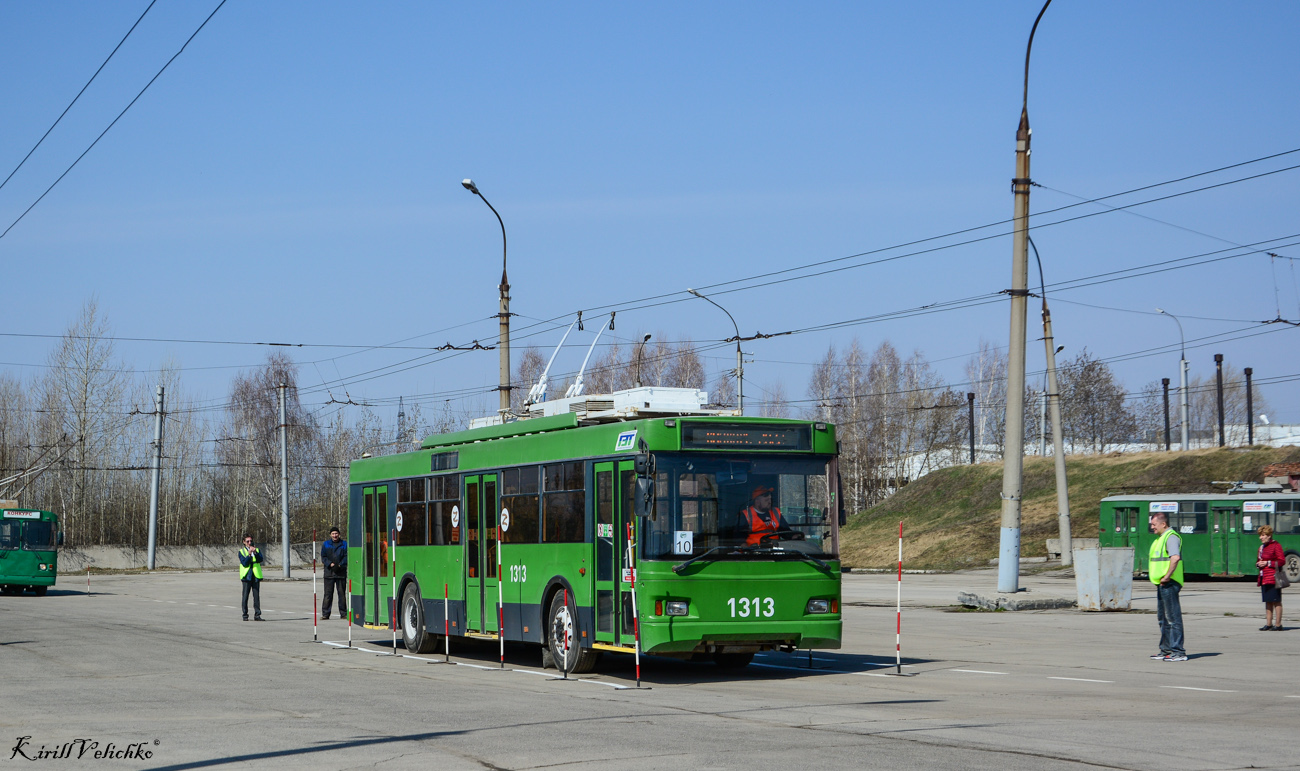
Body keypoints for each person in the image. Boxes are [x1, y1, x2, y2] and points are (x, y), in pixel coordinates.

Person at [1148, 512, 1185, 661]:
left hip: (1169, 583)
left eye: (1154, 525)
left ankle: (1178, 652)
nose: (1152, 527)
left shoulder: (1171, 537)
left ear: (1163, 524)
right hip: (1162, 584)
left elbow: (1175, 558)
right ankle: (1166, 650)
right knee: (1163, 618)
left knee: (1173, 618)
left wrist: (1167, 576)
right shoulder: (1160, 538)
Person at [735, 486, 799, 546]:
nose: (770, 502)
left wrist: (794, 536)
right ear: (757, 502)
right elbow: (739, 539)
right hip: (753, 553)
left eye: (770, 499)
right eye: (766, 500)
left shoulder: (776, 512)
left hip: (775, 551)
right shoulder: (745, 515)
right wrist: (746, 549)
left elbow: (785, 531)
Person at [1256, 524, 1285, 631]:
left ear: (1269, 535)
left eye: (1263, 535)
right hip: (1264, 578)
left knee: (1276, 601)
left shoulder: (1276, 545)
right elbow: (1258, 561)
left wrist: (1268, 563)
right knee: (1268, 601)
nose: (1261, 537)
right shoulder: (1261, 547)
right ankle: (1268, 624)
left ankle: (1278, 624)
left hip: (1274, 578)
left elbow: (1282, 561)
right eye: (1260, 535)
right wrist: (1258, 564)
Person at [320, 527, 348, 620]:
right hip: (329, 574)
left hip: (341, 573)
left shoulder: (344, 544)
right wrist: (330, 564)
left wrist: (340, 565)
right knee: (328, 595)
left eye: (336, 533)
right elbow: (323, 557)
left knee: (342, 594)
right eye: (333, 534)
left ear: (339, 534)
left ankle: (343, 614)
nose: (335, 535)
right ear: (330, 535)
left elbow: (347, 556)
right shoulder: (326, 544)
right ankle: (325, 614)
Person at [239, 534, 264, 621]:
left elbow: (260, 559)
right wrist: (249, 555)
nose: (249, 543)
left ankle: (257, 615)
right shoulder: (241, 552)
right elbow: (244, 563)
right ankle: (245, 615)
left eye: (251, 541)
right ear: (244, 542)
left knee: (256, 596)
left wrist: (255, 553)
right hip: (247, 576)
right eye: (247, 541)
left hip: (255, 575)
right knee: (245, 596)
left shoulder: (257, 550)